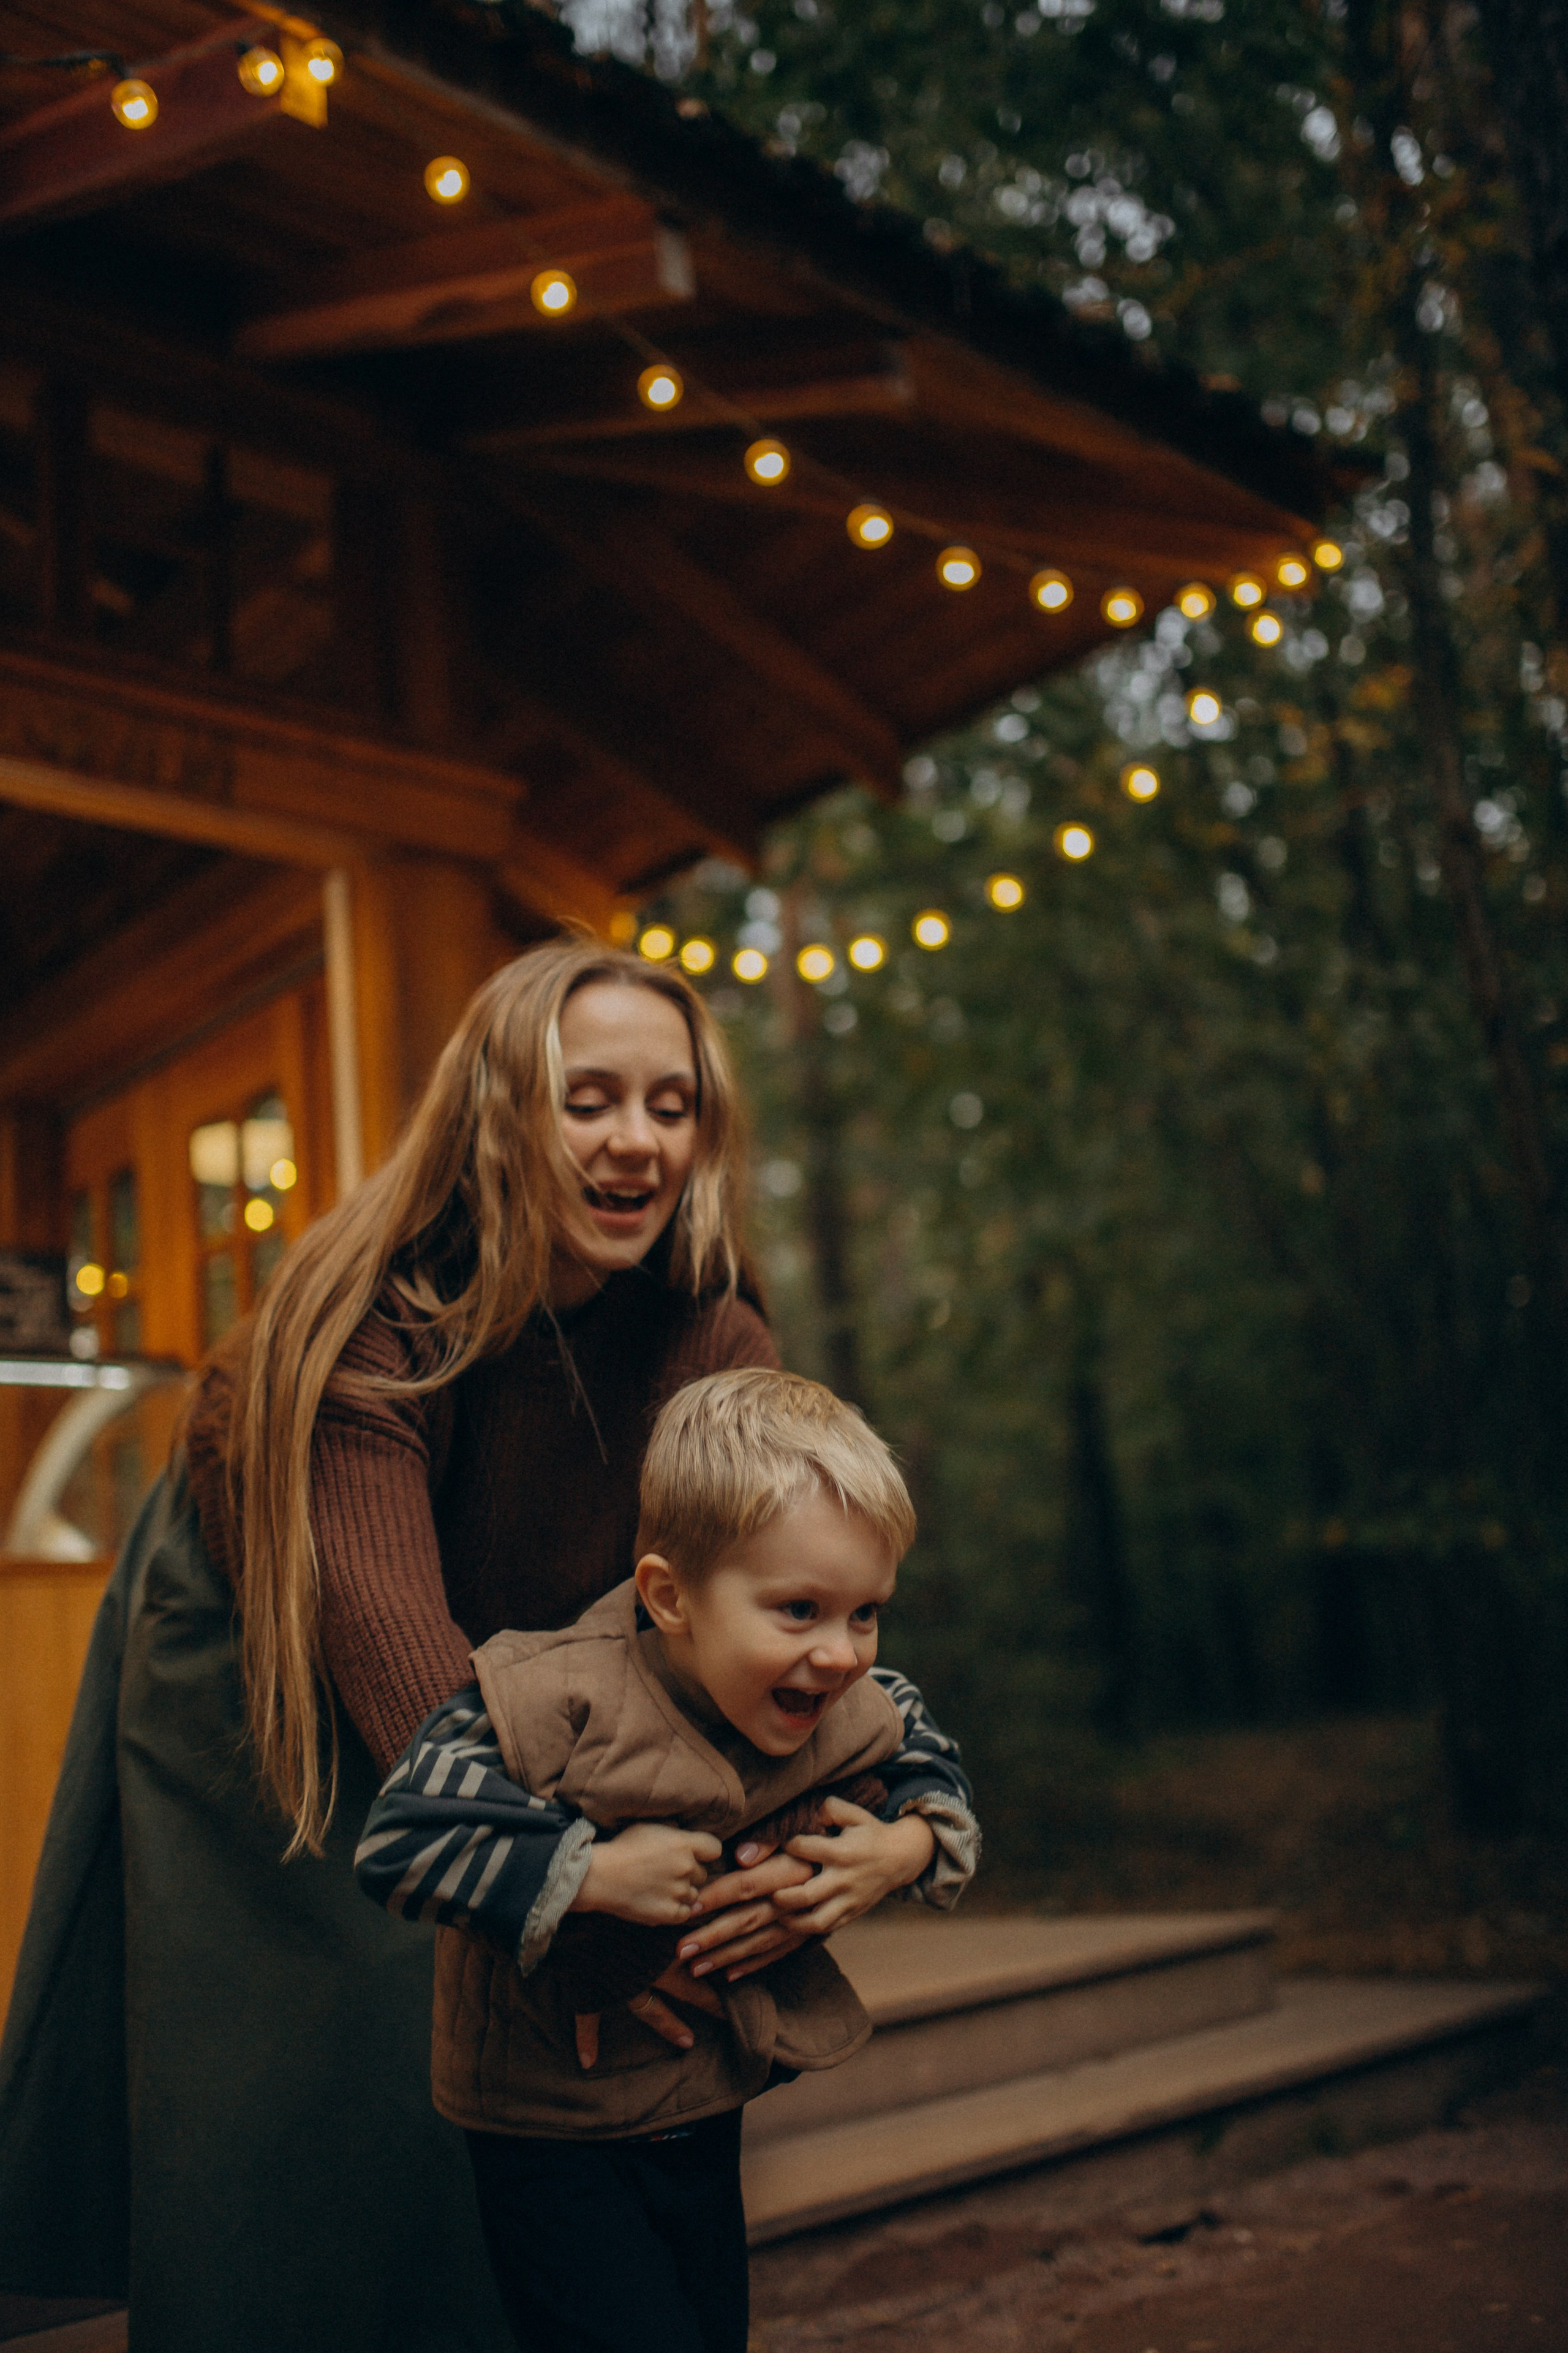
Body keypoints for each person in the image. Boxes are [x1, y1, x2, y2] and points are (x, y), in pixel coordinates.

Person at [0, 938, 973, 2353]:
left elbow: (739, 1619)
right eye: (587, 1099)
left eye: (669, 1102)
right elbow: (417, 1708)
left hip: (514, 1646)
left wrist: (809, 1853)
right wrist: (572, 1921)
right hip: (260, 1611)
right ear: (499, 1110)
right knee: (350, 2000)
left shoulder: (711, 1328)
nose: (633, 1140)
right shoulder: (375, 1317)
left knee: (533, 1973)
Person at [355, 1366, 979, 2353]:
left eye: (866, 1612)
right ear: (670, 1595)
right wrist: (590, 1874)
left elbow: (919, 1747)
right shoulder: (547, 1697)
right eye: (800, 1609)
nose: (843, 1652)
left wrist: (905, 1847)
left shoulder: (846, 1695)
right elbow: (403, 1835)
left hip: (702, 2095)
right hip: (546, 2126)